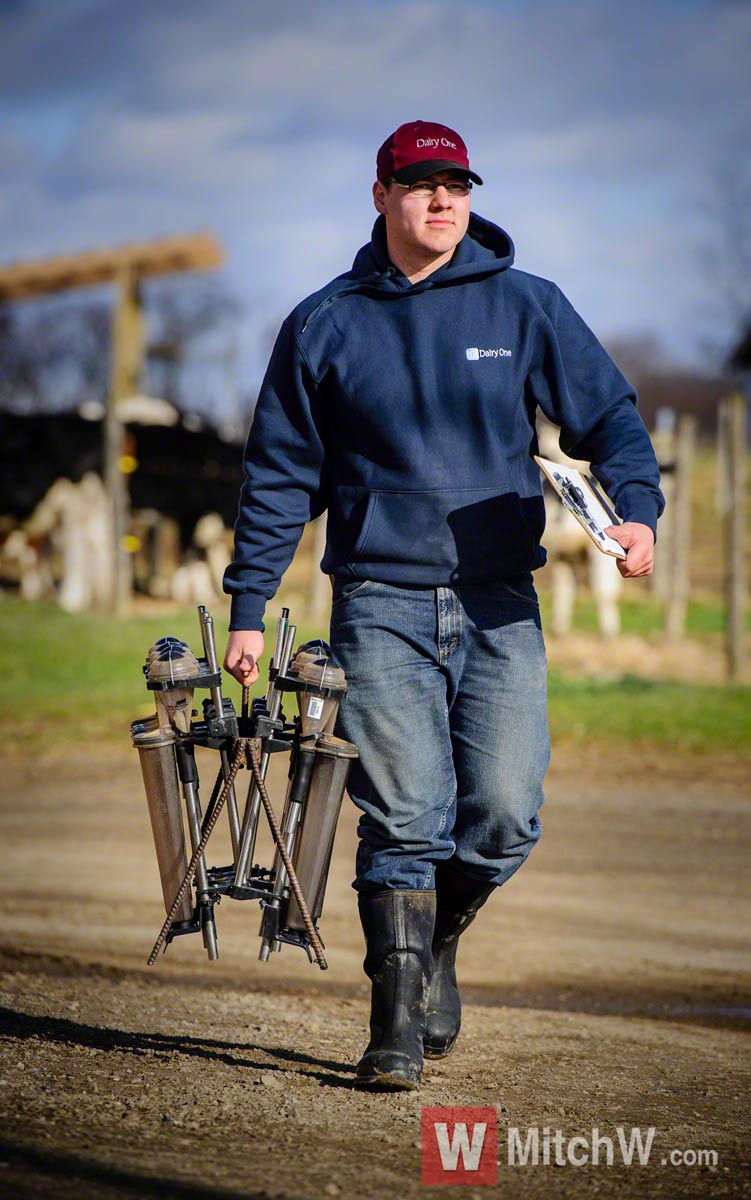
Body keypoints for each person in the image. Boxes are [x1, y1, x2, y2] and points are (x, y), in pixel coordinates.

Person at [223, 120, 663, 1092]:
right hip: (378, 598)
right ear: (379, 193)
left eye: (455, 182)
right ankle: (394, 1017)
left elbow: (613, 421)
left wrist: (637, 515)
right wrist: (250, 604)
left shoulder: (525, 306)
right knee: (406, 813)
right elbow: (278, 474)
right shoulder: (325, 324)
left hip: (499, 601)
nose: (441, 198)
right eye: (420, 182)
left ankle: (442, 939)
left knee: (504, 815)